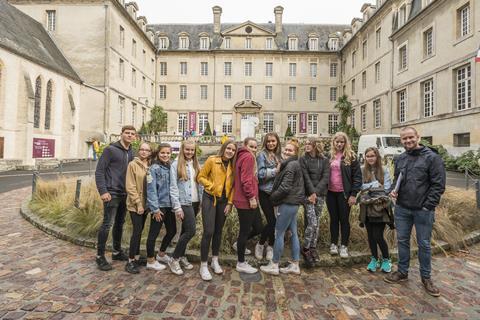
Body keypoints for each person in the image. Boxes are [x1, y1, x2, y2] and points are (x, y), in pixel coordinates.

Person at [384, 127, 446, 297]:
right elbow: (397, 180)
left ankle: (426, 278)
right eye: (404, 139)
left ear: (418, 137)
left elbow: (438, 185)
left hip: (423, 211)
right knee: (402, 241)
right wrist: (392, 190)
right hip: (402, 208)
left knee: (424, 244)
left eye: (410, 137)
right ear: (401, 141)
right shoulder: (400, 158)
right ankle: (402, 272)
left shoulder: (432, 158)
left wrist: (427, 206)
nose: (408, 141)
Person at [260, 139, 304, 275]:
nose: (286, 151)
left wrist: (272, 198)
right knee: (294, 234)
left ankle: (274, 264)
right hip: (293, 203)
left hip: (287, 203)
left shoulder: (291, 166)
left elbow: (285, 188)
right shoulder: (294, 164)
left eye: (290, 150)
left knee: (278, 233)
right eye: (285, 149)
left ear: (296, 152)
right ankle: (295, 264)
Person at [95, 125, 135, 271]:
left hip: (125, 194)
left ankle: (117, 252)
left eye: (132, 134)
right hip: (111, 194)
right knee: (107, 224)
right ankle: (100, 256)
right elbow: (99, 172)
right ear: (121, 134)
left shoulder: (131, 152)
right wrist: (103, 191)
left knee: (119, 223)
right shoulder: (110, 150)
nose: (130, 135)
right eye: (127, 133)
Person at [197, 140, 237, 280]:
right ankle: (203, 265)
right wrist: (211, 186)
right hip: (210, 198)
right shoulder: (212, 160)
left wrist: (230, 203)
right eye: (228, 148)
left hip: (224, 202)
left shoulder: (233, 166)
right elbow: (200, 177)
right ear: (223, 148)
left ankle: (214, 260)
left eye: (233, 150)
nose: (230, 151)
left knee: (218, 231)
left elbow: (233, 187)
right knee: (209, 231)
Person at [124, 142, 165, 273]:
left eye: (147, 150)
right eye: (141, 149)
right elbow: (130, 186)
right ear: (138, 151)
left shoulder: (151, 165)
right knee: (136, 232)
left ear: (150, 152)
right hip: (136, 205)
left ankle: (136, 257)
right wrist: (138, 203)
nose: (143, 152)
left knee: (140, 230)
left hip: (148, 204)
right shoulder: (132, 165)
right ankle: (130, 261)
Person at [169, 140, 203, 275]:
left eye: (192, 150)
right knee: (191, 231)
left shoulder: (195, 164)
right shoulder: (176, 164)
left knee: (185, 231)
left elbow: (199, 184)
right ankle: (174, 258)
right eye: (187, 150)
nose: (190, 152)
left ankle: (182, 256)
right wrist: (177, 207)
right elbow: (173, 187)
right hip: (184, 202)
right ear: (183, 150)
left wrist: (200, 201)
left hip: (195, 202)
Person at [326, 131, 362, 258]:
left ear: (345, 143)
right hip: (330, 193)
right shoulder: (329, 156)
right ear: (333, 142)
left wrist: (353, 195)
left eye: (342, 142)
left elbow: (357, 178)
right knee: (334, 219)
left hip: (344, 194)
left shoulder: (351, 157)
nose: (339, 144)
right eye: (337, 142)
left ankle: (344, 246)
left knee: (344, 220)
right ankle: (334, 244)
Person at [359, 147, 393, 273]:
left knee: (378, 235)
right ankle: (374, 258)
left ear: (377, 156)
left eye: (372, 155)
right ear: (365, 157)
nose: (370, 158)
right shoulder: (362, 170)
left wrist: (369, 188)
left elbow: (387, 189)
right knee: (370, 236)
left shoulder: (384, 170)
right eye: (368, 156)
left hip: (381, 207)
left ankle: (386, 259)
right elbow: (360, 187)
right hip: (367, 207)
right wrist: (375, 185)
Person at [233, 137, 263, 274]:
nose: (254, 149)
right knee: (244, 231)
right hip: (246, 201)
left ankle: (238, 244)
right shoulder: (248, 157)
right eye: (251, 146)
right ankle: (241, 262)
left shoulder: (242, 156)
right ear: (245, 145)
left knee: (258, 227)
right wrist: (251, 197)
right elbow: (245, 180)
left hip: (249, 199)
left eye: (256, 147)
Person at [299, 138, 330, 267]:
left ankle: (313, 247)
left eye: (309, 144)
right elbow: (305, 177)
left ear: (315, 146)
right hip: (308, 196)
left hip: (320, 195)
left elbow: (325, 177)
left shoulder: (324, 160)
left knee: (316, 222)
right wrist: (312, 193)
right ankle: (305, 248)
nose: (306, 146)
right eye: (305, 144)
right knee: (312, 222)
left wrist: (316, 193)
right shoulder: (303, 159)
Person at [146, 143, 177, 270]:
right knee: (153, 234)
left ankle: (161, 254)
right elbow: (151, 190)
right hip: (159, 206)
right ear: (158, 154)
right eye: (163, 153)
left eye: (168, 153)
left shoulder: (170, 167)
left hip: (169, 205)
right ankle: (150, 261)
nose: (165, 155)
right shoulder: (153, 168)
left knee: (172, 231)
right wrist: (155, 209)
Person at [255, 132, 282, 261]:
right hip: (265, 192)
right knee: (272, 221)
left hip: (277, 193)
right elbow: (259, 174)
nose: (271, 143)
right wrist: (274, 171)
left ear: (277, 142)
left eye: (273, 141)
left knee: (276, 222)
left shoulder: (279, 156)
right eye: (269, 141)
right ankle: (260, 244)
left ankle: (270, 246)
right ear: (265, 142)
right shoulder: (261, 155)